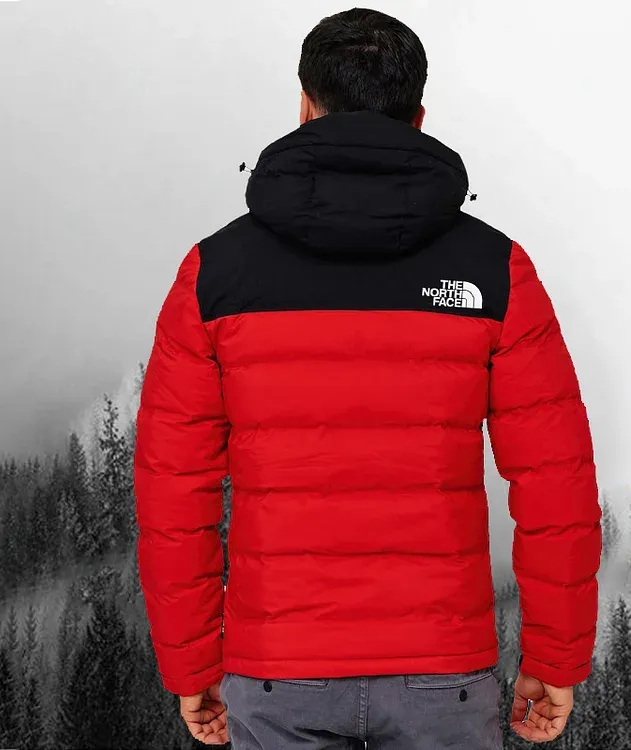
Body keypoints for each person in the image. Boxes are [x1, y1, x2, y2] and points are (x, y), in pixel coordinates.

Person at [133, 7, 602, 749]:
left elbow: (173, 493)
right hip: (444, 674)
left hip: (276, 670)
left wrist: (191, 663)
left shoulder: (213, 274)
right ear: (418, 117)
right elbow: (556, 484)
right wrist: (555, 656)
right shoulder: (495, 271)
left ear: (304, 106)